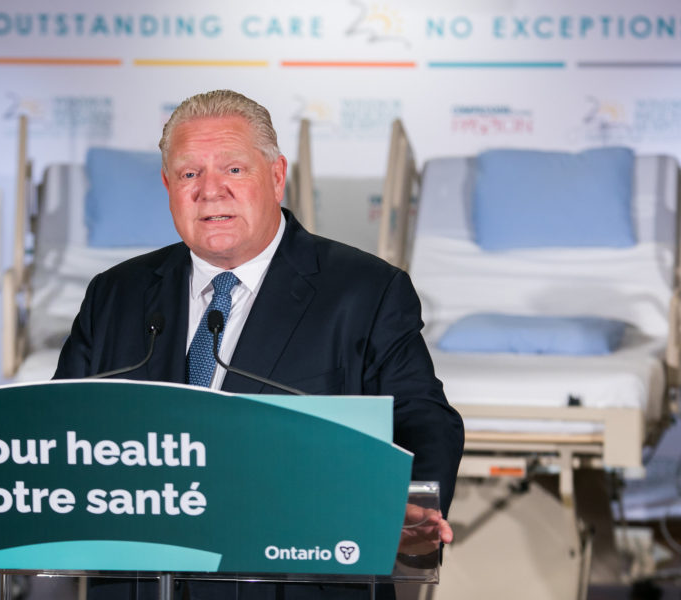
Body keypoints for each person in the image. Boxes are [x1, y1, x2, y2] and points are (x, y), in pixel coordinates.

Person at [54, 89, 464, 599]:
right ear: (167, 185)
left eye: (233, 170)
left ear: (275, 175)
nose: (210, 191)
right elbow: (61, 436)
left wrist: (412, 501)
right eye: (188, 174)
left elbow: (422, 415)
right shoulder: (114, 294)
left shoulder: (366, 290)